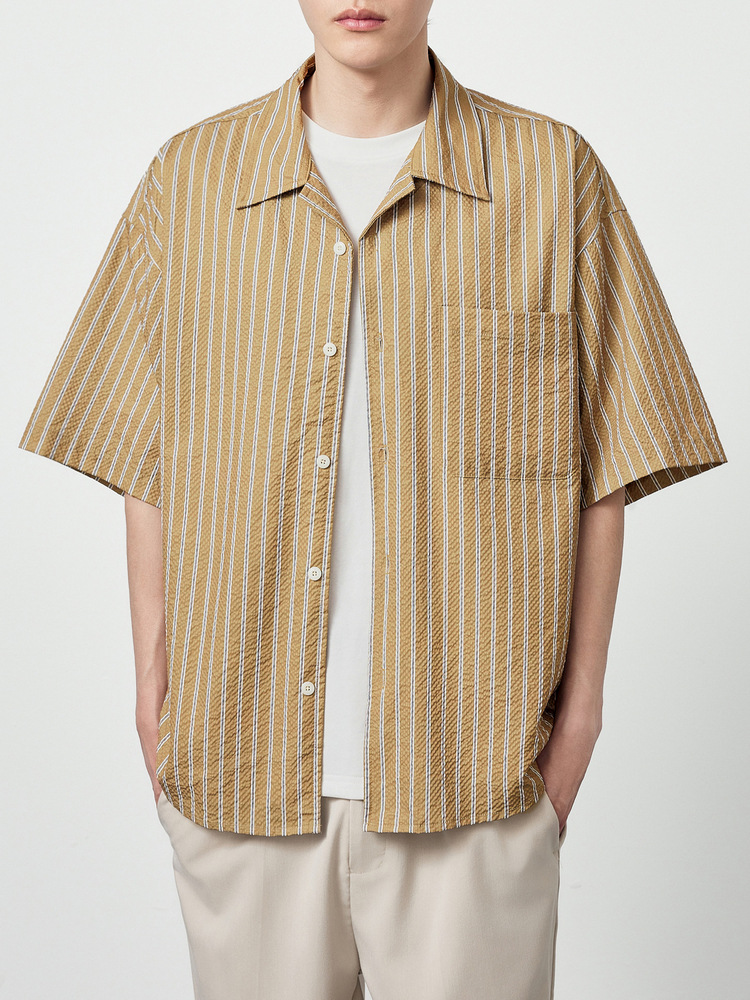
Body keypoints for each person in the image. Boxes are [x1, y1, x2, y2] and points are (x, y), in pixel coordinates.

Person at [17, 2, 728, 998]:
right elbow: (145, 456)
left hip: (474, 780)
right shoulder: (192, 179)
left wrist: (577, 730)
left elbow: (605, 464)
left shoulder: (552, 176)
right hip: (241, 774)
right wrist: (155, 698)